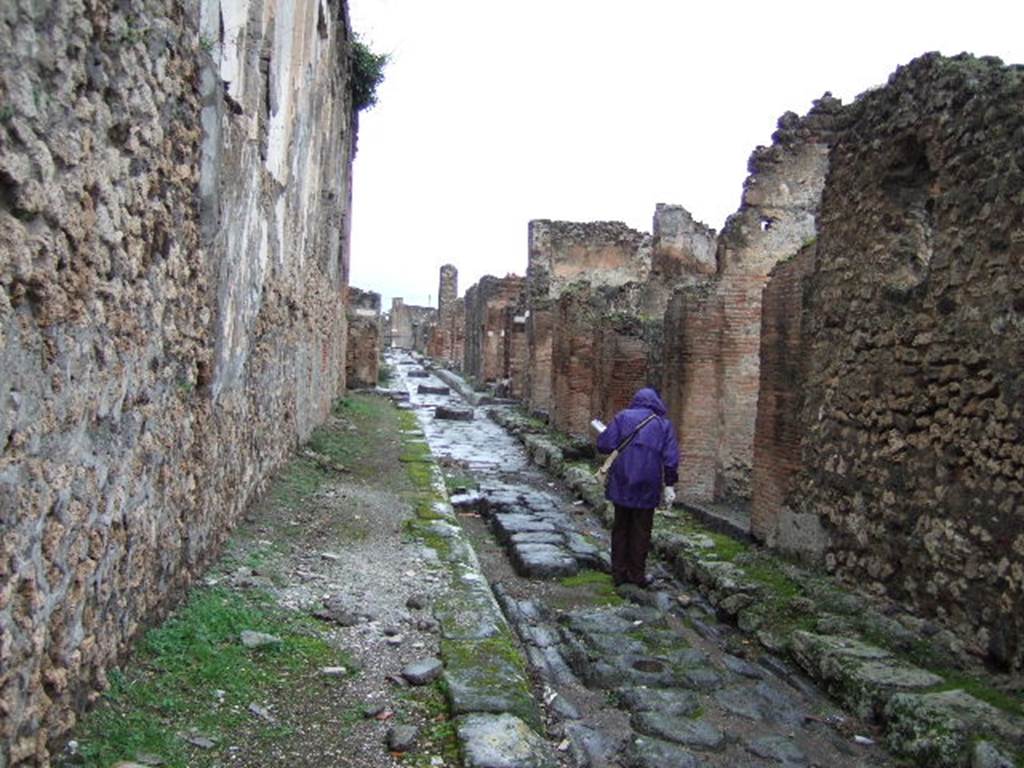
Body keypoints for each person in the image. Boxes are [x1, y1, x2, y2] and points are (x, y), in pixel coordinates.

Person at [596, 387, 680, 587]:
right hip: (648, 482)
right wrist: (669, 484)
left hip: (622, 479)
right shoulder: (663, 424)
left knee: (621, 527)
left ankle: (618, 573)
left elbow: (604, 445)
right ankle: (637, 574)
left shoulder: (623, 417)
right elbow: (671, 458)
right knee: (642, 530)